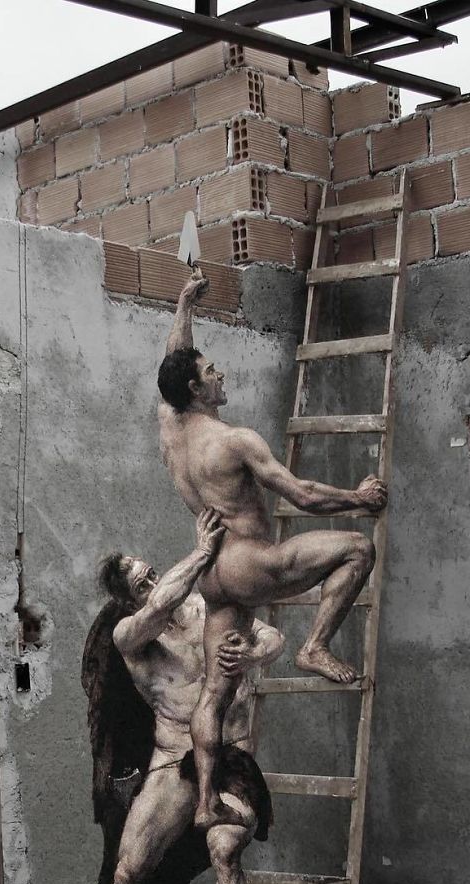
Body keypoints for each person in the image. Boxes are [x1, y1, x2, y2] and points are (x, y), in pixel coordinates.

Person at [157, 269, 388, 832]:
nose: (220, 374)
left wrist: (185, 302)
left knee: (214, 693)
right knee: (357, 550)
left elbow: (172, 362)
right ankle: (315, 645)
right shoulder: (233, 440)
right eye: (211, 371)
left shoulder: (171, 425)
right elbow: (302, 495)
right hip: (250, 559)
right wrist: (359, 498)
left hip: (211, 571)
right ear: (197, 390)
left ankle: (206, 801)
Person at [77, 509, 284, 884]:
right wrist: (202, 553)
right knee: (128, 872)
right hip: (174, 760)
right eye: (141, 583)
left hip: (231, 756)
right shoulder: (130, 635)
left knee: (225, 850)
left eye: (151, 572)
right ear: (128, 601)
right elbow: (162, 602)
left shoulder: (203, 606)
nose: (153, 582)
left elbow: (272, 637)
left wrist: (251, 656)